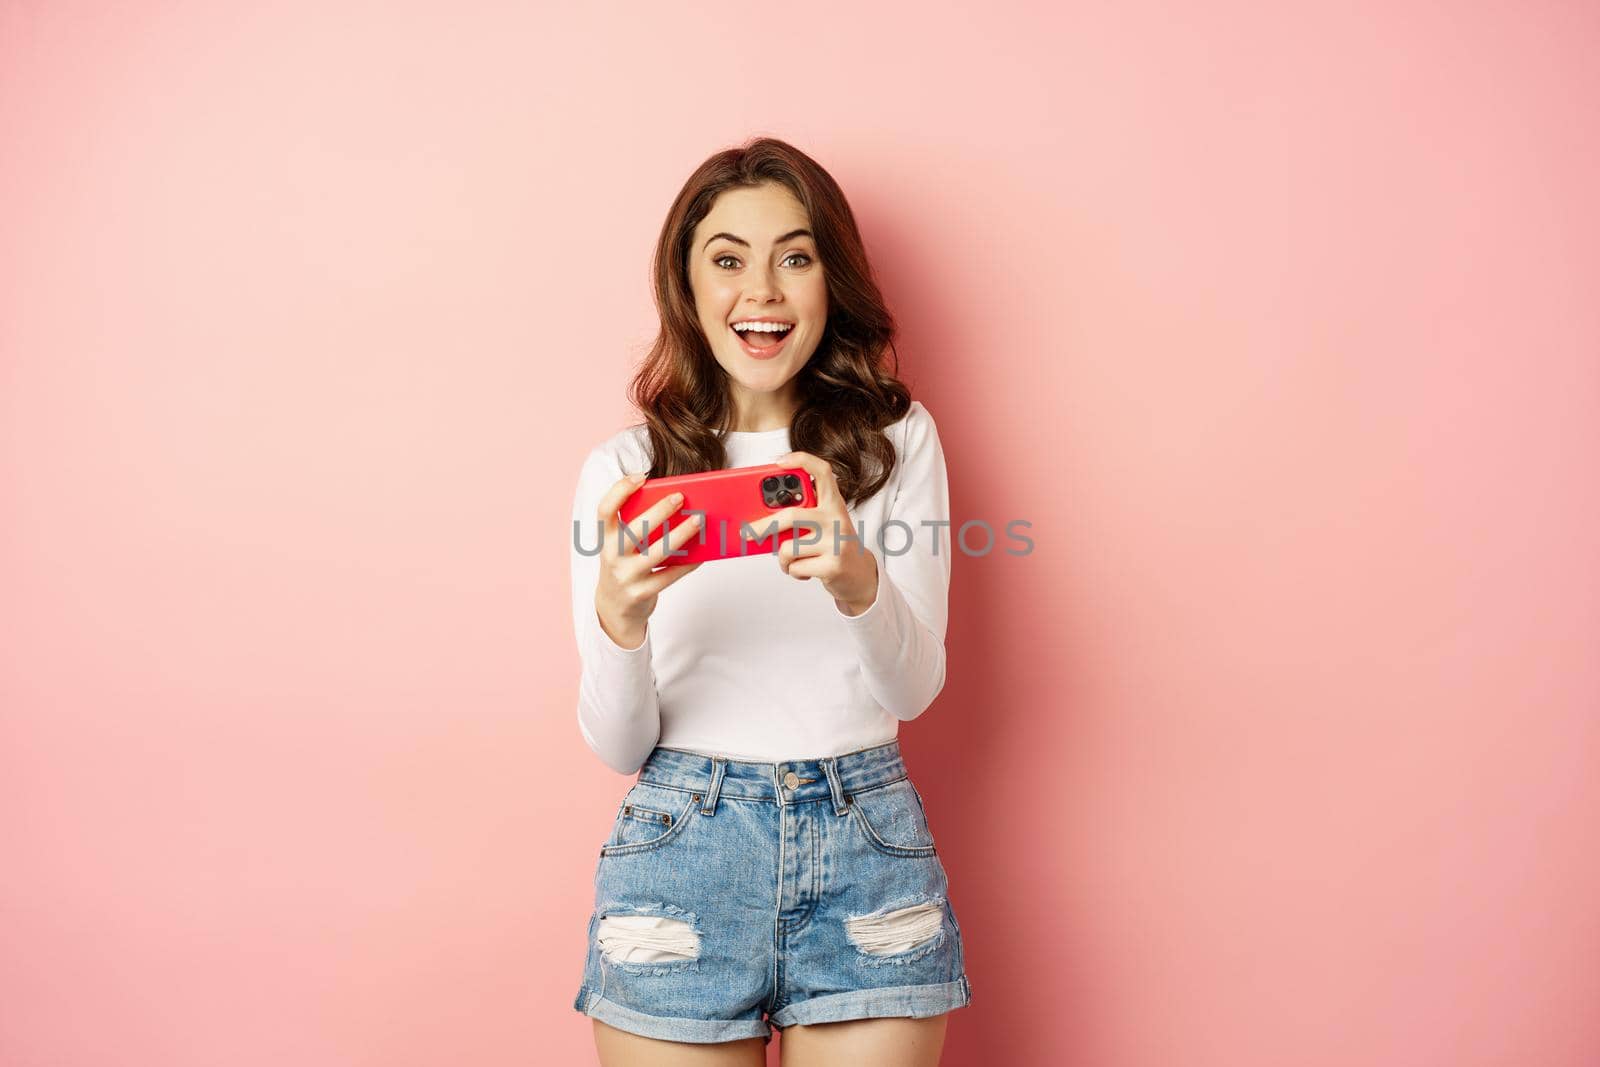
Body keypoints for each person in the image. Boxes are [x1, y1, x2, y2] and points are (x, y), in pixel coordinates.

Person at [569, 137, 971, 1067]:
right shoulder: (625, 471)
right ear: (688, 286)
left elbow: (913, 692)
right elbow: (617, 744)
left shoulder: (895, 443)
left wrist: (855, 578)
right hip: (680, 849)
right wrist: (620, 622)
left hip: (864, 842)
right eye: (727, 260)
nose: (763, 291)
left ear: (832, 282)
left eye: (796, 256)